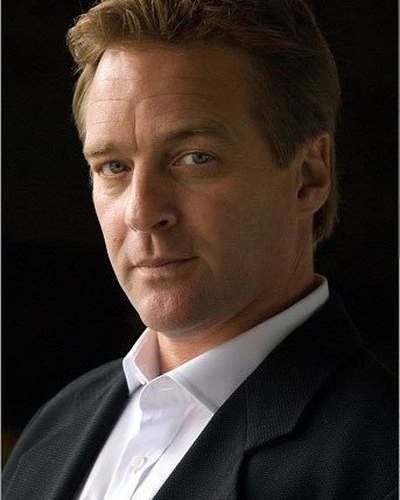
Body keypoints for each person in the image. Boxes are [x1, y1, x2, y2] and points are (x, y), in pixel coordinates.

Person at [3, 0, 397, 499]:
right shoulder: (54, 429)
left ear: (308, 177)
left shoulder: (381, 459)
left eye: (195, 158)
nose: (142, 212)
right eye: (114, 167)